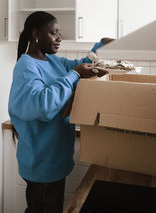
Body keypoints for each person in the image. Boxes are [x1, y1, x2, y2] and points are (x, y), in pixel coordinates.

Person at [8, 11, 113, 213]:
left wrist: (100, 45)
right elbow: (44, 105)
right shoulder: (26, 67)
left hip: (55, 161)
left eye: (59, 33)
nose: (59, 38)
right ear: (36, 34)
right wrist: (74, 74)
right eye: (53, 33)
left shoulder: (53, 61)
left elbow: (82, 64)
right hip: (42, 166)